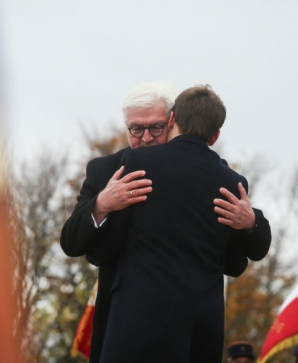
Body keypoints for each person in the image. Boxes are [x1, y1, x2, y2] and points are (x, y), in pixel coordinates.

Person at [60, 83, 271, 363]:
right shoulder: (106, 171)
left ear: (172, 122)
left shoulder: (219, 178)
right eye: (136, 128)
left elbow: (234, 260)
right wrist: (102, 205)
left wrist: (251, 222)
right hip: (120, 323)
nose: (146, 138)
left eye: (156, 128)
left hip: (179, 333)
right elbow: (72, 242)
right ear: (126, 128)